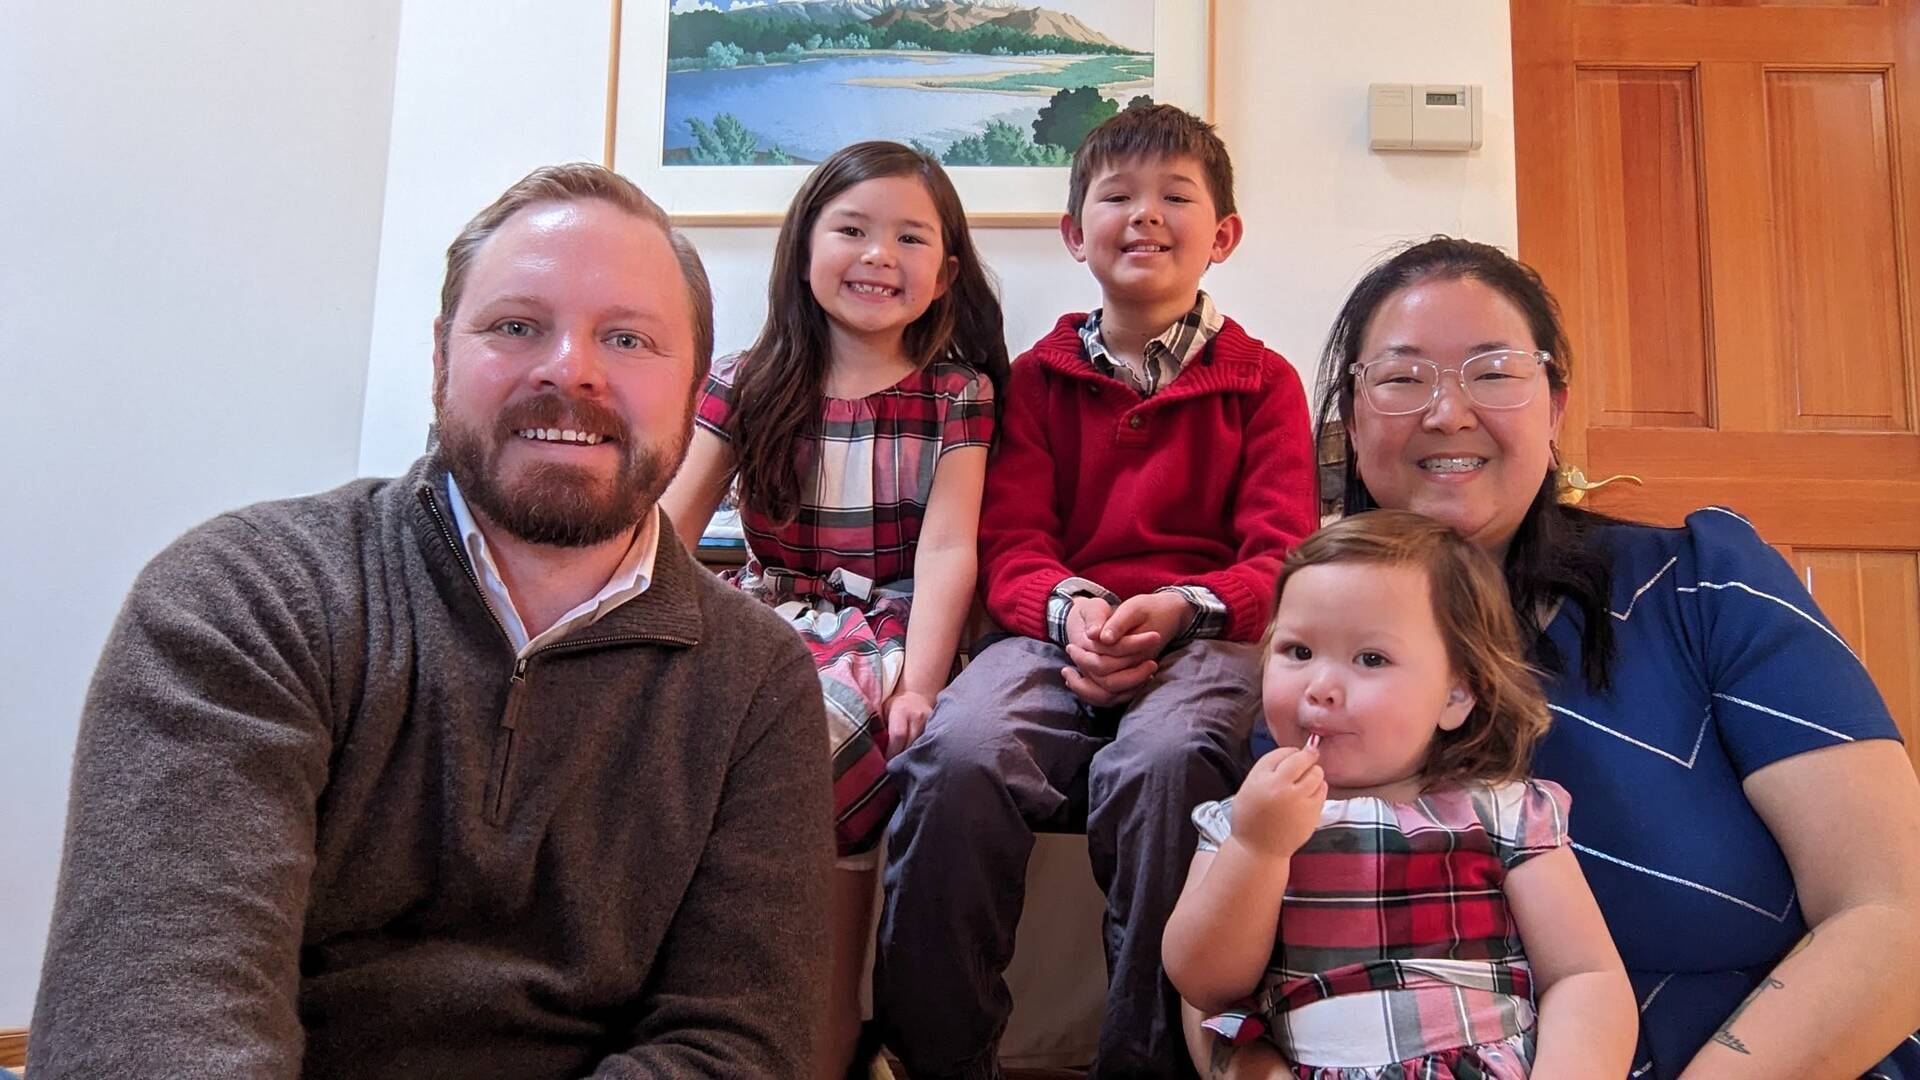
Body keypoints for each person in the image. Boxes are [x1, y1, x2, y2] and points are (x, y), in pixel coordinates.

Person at [29, 163, 833, 1079]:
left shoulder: (755, 680)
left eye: (628, 338)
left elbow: (738, 1045)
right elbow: (153, 1015)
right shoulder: (242, 599)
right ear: (442, 359)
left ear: (695, 395)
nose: (570, 368)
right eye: (516, 326)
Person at [1295, 236, 1920, 1077]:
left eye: (1493, 370)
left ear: (1553, 407)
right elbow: (1236, 981)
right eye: (1403, 378)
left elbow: (1894, 908)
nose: (1447, 412)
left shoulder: (1703, 583)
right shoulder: (1311, 656)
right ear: (1354, 414)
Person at [872, 104, 1320, 1078]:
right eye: (1116, 197)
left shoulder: (1264, 385)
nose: (1144, 216)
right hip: (1052, 634)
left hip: (1208, 642)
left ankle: (1150, 1062)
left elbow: (1283, 558)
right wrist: (1075, 611)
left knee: (1164, 763)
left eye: (1175, 197)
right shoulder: (1034, 381)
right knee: (958, 751)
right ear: (1075, 234)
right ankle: (933, 1057)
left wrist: (1180, 612)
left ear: (1224, 235)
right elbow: (1015, 541)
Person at [661, 139, 1007, 1078]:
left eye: (908, 238)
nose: (877, 256)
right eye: (851, 229)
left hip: (889, 629)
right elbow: (671, 527)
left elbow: (946, 552)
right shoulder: (745, 378)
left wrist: (922, 685)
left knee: (809, 732)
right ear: (805, 245)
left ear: (946, 274)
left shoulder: (956, 395)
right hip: (765, 611)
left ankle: (824, 1037)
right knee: (672, 717)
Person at [1164, 510, 1636, 1078]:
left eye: (1371, 659)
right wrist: (1257, 850)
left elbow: (1584, 976)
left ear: (1456, 694)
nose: (1320, 689)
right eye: (1297, 651)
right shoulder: (1241, 821)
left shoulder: (1503, 811)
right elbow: (1206, 985)